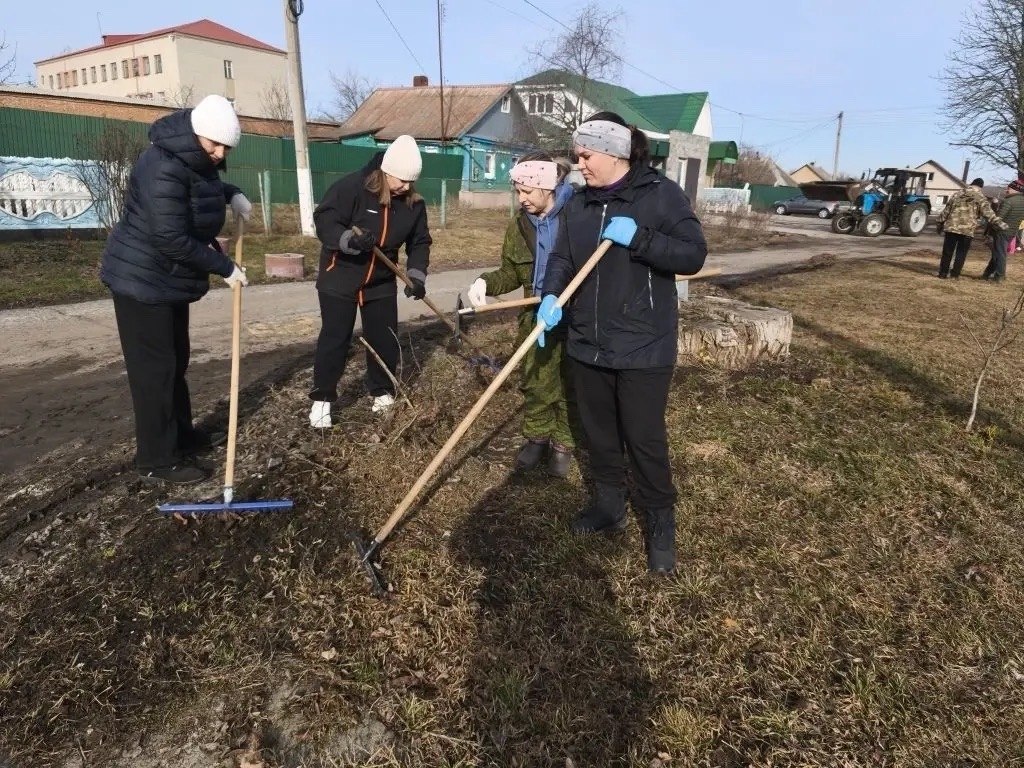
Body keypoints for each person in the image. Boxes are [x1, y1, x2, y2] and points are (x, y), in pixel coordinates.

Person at [537, 112, 707, 574]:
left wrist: (642, 238)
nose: (580, 164)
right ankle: (610, 507)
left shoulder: (660, 196)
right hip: (587, 342)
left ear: (613, 153)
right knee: (600, 435)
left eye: (586, 155)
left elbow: (693, 254)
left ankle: (659, 522)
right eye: (578, 155)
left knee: (644, 438)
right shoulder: (578, 203)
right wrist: (552, 293)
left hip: (642, 345)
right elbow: (563, 257)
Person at [100, 94, 252, 485]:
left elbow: (196, 190)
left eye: (226, 147)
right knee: (154, 372)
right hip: (141, 282)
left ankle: (181, 435)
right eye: (214, 144)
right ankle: (157, 459)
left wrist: (228, 191)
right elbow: (170, 236)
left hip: (165, 281)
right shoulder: (162, 165)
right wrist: (224, 266)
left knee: (175, 362)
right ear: (196, 133)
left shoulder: (192, 158)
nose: (219, 153)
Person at [466, 151, 579, 478]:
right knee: (536, 379)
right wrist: (485, 282)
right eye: (517, 190)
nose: (521, 198)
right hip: (534, 314)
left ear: (549, 185)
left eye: (527, 190)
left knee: (571, 381)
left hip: (575, 314)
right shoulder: (519, 225)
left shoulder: (578, 215)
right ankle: (538, 436)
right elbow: (511, 274)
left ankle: (563, 441)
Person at [309, 135, 432, 428]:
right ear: (386, 171)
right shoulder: (352, 187)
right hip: (340, 274)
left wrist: (416, 275)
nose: (405, 186)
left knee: (385, 337)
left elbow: (420, 242)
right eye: (400, 180)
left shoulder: (413, 204)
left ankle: (382, 391)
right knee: (335, 338)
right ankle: (322, 400)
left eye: (410, 182)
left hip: (380, 280)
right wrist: (348, 239)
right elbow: (324, 220)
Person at [937, 177, 1005, 279]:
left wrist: (940, 223)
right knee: (961, 253)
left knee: (947, 251)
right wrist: (1001, 224)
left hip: (951, 227)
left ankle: (942, 273)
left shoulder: (957, 194)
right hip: (967, 230)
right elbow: (989, 214)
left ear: (971, 184)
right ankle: (955, 274)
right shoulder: (980, 197)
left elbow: (946, 210)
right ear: (980, 187)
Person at [983, 179, 1024, 282]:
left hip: (1002, 231)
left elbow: (999, 218)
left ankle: (999, 276)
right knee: (998, 253)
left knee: (1000, 254)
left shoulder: (1008, 201)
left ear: (1015, 189)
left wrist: (991, 228)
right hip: (1012, 231)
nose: (1007, 190)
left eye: (1009, 188)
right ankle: (987, 273)